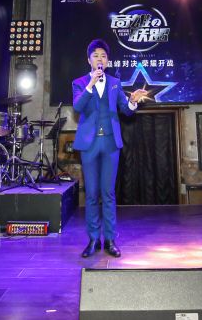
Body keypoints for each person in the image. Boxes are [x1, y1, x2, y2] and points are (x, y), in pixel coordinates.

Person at [72, 39, 149, 259]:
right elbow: (78, 106)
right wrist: (90, 84)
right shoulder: (79, 82)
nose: (100, 59)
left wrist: (133, 101)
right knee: (91, 193)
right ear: (89, 60)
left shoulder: (115, 82)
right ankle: (93, 239)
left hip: (110, 144)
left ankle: (110, 239)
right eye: (96, 56)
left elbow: (126, 109)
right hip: (89, 145)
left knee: (108, 193)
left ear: (108, 61)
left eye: (104, 56)